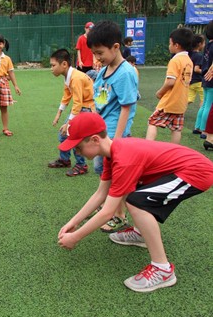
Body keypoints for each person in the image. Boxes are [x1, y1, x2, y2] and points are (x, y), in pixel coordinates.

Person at [57, 112, 213, 292]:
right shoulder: (111, 154)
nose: (77, 152)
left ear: (94, 140)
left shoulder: (123, 160)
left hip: (196, 172)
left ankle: (163, 269)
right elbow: (100, 194)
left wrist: (75, 238)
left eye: (78, 148)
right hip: (182, 169)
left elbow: (107, 212)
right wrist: (73, 222)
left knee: (136, 201)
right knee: (131, 195)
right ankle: (141, 234)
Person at [88, 20, 139, 232]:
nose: (97, 58)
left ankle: (118, 214)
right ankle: (108, 206)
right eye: (94, 54)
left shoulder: (126, 73)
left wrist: (116, 141)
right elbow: (100, 100)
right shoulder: (104, 70)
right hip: (102, 132)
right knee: (101, 170)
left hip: (114, 136)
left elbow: (126, 108)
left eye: (100, 53)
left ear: (116, 47)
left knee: (117, 177)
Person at [48, 48, 94, 177]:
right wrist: (58, 114)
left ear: (64, 64)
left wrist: (69, 122)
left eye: (53, 65)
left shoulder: (76, 78)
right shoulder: (68, 76)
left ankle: (81, 165)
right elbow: (66, 96)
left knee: (72, 135)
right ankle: (64, 160)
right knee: (63, 135)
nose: (51, 68)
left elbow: (78, 103)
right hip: (82, 107)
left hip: (87, 108)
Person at [146, 28, 193, 145]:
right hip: (181, 103)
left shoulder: (175, 60)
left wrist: (160, 93)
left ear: (176, 45)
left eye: (170, 43)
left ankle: (148, 146)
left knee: (152, 122)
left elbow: (170, 82)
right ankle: (174, 150)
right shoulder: (189, 61)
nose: (169, 46)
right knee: (176, 128)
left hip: (169, 102)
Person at [194, 21, 213, 139]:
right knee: (209, 105)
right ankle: (205, 131)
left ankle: (198, 127)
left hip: (204, 77)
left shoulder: (207, 46)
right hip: (211, 78)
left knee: (205, 103)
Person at [188, 34, 205, 114]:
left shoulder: (189, 54)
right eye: (204, 43)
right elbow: (196, 69)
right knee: (204, 99)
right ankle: (202, 114)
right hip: (199, 82)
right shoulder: (199, 56)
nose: (204, 45)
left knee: (189, 99)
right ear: (199, 44)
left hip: (191, 81)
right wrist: (205, 71)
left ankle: (178, 111)